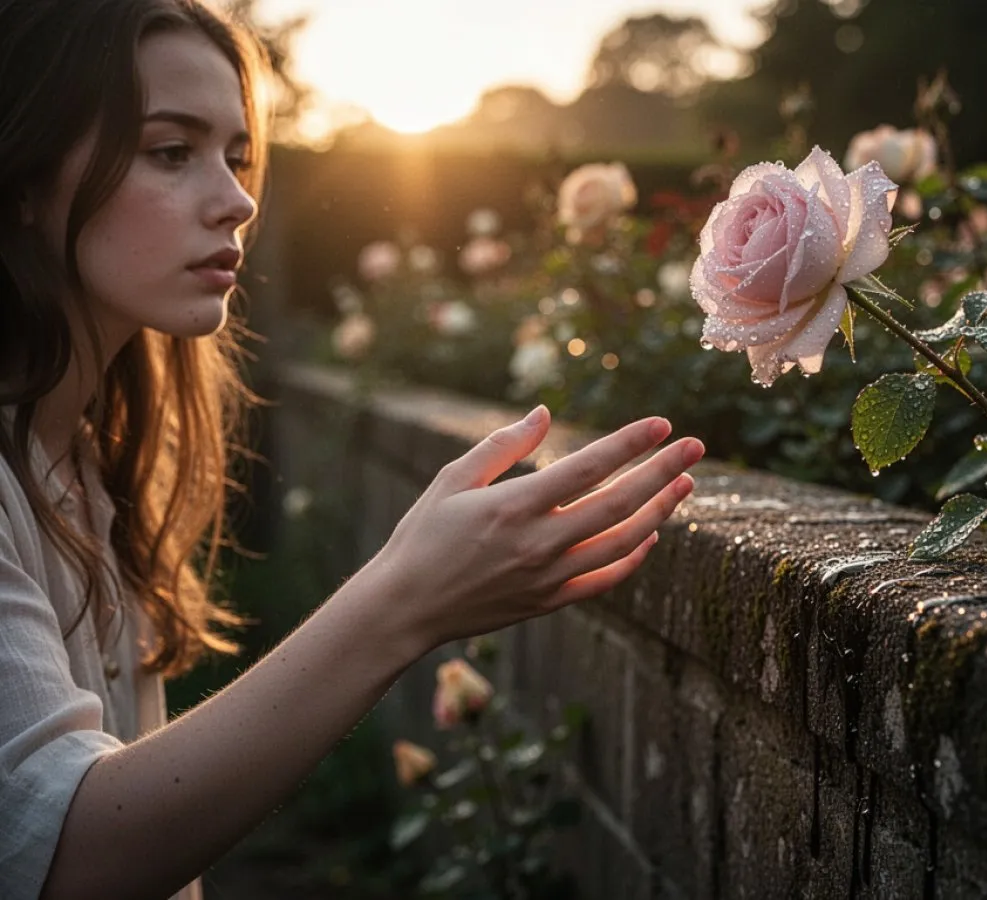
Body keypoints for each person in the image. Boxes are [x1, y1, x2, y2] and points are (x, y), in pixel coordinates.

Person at [0, 2, 705, 897]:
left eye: (237, 155)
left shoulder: (87, 465)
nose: (238, 200)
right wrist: (406, 597)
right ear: (23, 177)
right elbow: (62, 856)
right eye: (171, 151)